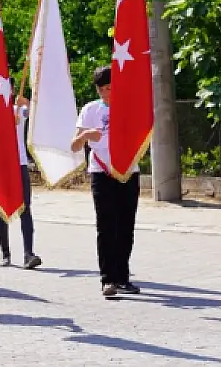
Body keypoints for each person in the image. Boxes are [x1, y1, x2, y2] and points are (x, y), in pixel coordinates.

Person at [72, 65, 141, 298]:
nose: (106, 93)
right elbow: (74, 145)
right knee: (106, 226)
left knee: (126, 226)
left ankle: (123, 276)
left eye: (110, 88)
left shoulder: (130, 107)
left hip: (128, 171)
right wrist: (85, 136)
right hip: (101, 173)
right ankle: (108, 278)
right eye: (102, 89)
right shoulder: (90, 109)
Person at [0, 98, 42, 269]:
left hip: (19, 164)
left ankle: (28, 254)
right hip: (1, 166)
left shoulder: (18, 110)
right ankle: (5, 252)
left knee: (25, 208)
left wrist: (27, 104)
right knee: (1, 209)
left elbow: (36, 115)